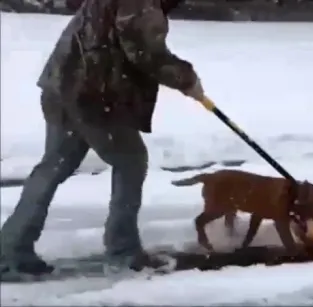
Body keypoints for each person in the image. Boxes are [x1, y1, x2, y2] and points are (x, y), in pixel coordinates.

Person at [0, 0, 203, 276]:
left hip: (62, 86)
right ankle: (123, 252)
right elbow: (145, 52)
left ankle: (10, 248)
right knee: (131, 161)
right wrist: (186, 79)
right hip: (94, 97)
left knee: (55, 165)